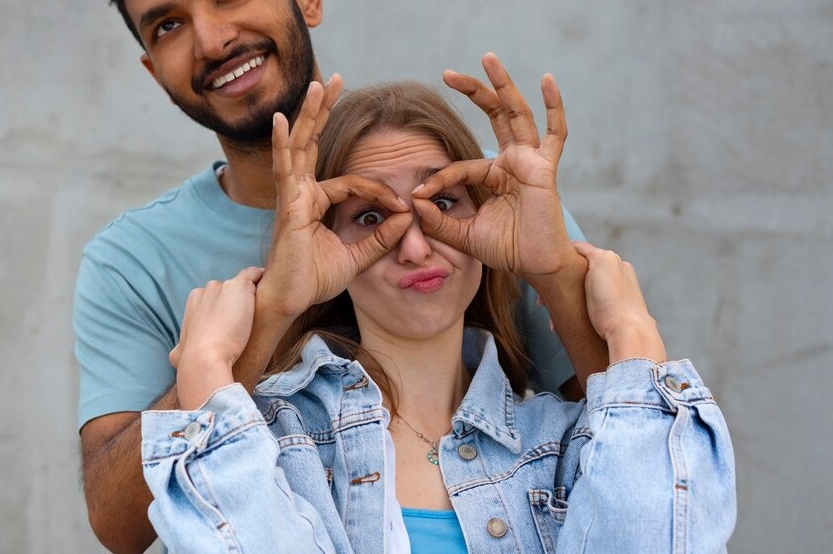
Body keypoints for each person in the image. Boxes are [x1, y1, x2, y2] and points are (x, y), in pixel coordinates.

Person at [78, 0, 608, 550]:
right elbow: (119, 526)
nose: (212, 40)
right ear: (151, 67)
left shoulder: (490, 197)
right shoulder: (132, 259)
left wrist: (551, 272)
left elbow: (616, 443)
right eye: (166, 25)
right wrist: (266, 315)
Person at [141, 66, 737, 552]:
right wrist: (205, 373)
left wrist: (632, 335)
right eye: (370, 217)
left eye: (443, 203)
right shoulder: (270, 440)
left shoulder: (574, 444)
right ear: (322, 242)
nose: (416, 246)